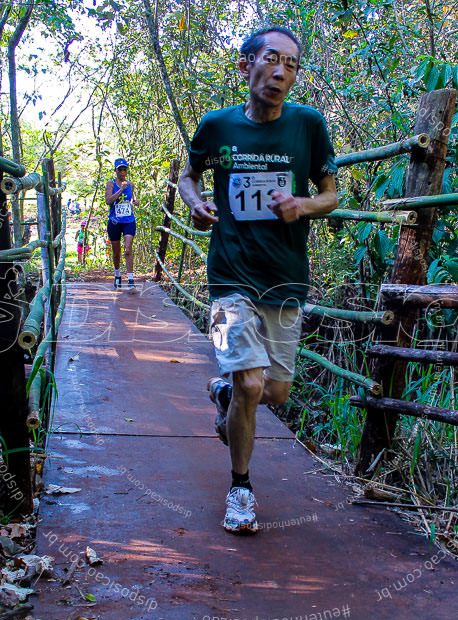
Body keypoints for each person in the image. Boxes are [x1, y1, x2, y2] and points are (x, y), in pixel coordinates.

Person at [178, 26, 338, 534]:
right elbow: (187, 175)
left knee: (273, 394)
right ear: (246, 65)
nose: (281, 73)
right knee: (250, 381)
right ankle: (241, 488)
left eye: (291, 65)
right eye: (272, 60)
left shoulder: (307, 126)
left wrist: (303, 205)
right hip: (228, 278)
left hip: (285, 279)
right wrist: (196, 203)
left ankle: (224, 397)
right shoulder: (216, 126)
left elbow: (331, 194)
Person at [105, 158, 139, 290]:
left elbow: (131, 199)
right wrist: (120, 190)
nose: (123, 172)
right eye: (120, 169)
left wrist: (134, 202)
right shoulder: (110, 184)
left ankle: (131, 279)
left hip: (129, 220)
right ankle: (118, 275)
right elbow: (108, 201)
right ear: (116, 171)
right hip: (114, 222)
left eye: (125, 169)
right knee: (116, 252)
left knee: (128, 249)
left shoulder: (131, 184)